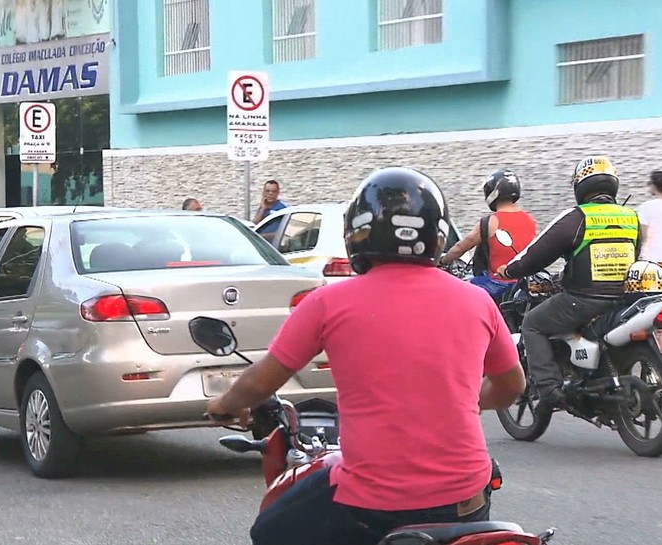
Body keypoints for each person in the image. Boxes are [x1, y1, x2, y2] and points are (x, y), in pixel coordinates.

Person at [206, 167, 526, 545]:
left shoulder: (328, 302)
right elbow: (511, 385)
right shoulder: (477, 301)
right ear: (437, 235)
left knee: (269, 531)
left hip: (373, 504)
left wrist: (225, 404)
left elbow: (263, 380)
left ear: (357, 232)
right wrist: (467, 401)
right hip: (467, 499)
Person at [496, 156, 641, 416]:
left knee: (533, 323)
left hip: (584, 300)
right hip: (623, 300)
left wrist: (510, 269)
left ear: (581, 186)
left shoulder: (578, 217)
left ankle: (550, 389)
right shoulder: (632, 217)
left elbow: (538, 252)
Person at [439, 169, 537, 301]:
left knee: (456, 292)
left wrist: (443, 261)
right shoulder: (530, 220)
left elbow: (461, 247)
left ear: (492, 192)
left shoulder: (490, 221)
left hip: (498, 283)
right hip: (523, 283)